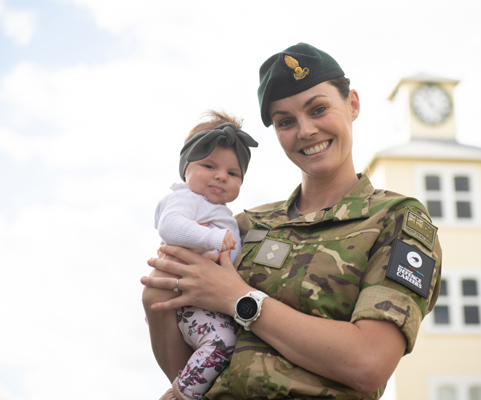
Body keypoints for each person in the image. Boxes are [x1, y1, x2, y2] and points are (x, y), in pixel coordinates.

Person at [142, 43, 442, 400]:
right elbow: (193, 368)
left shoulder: (394, 219)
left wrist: (240, 299)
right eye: (286, 121)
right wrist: (157, 301)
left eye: (318, 109)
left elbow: (368, 363)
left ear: (353, 104)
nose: (306, 130)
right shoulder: (243, 226)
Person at [144, 111, 258, 400]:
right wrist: (213, 238)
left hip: (211, 300)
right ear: (186, 169)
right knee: (222, 342)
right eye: (209, 165)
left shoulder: (221, 211)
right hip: (190, 301)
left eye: (233, 173)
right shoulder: (186, 198)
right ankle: (181, 393)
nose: (221, 175)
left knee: (225, 344)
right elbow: (170, 226)